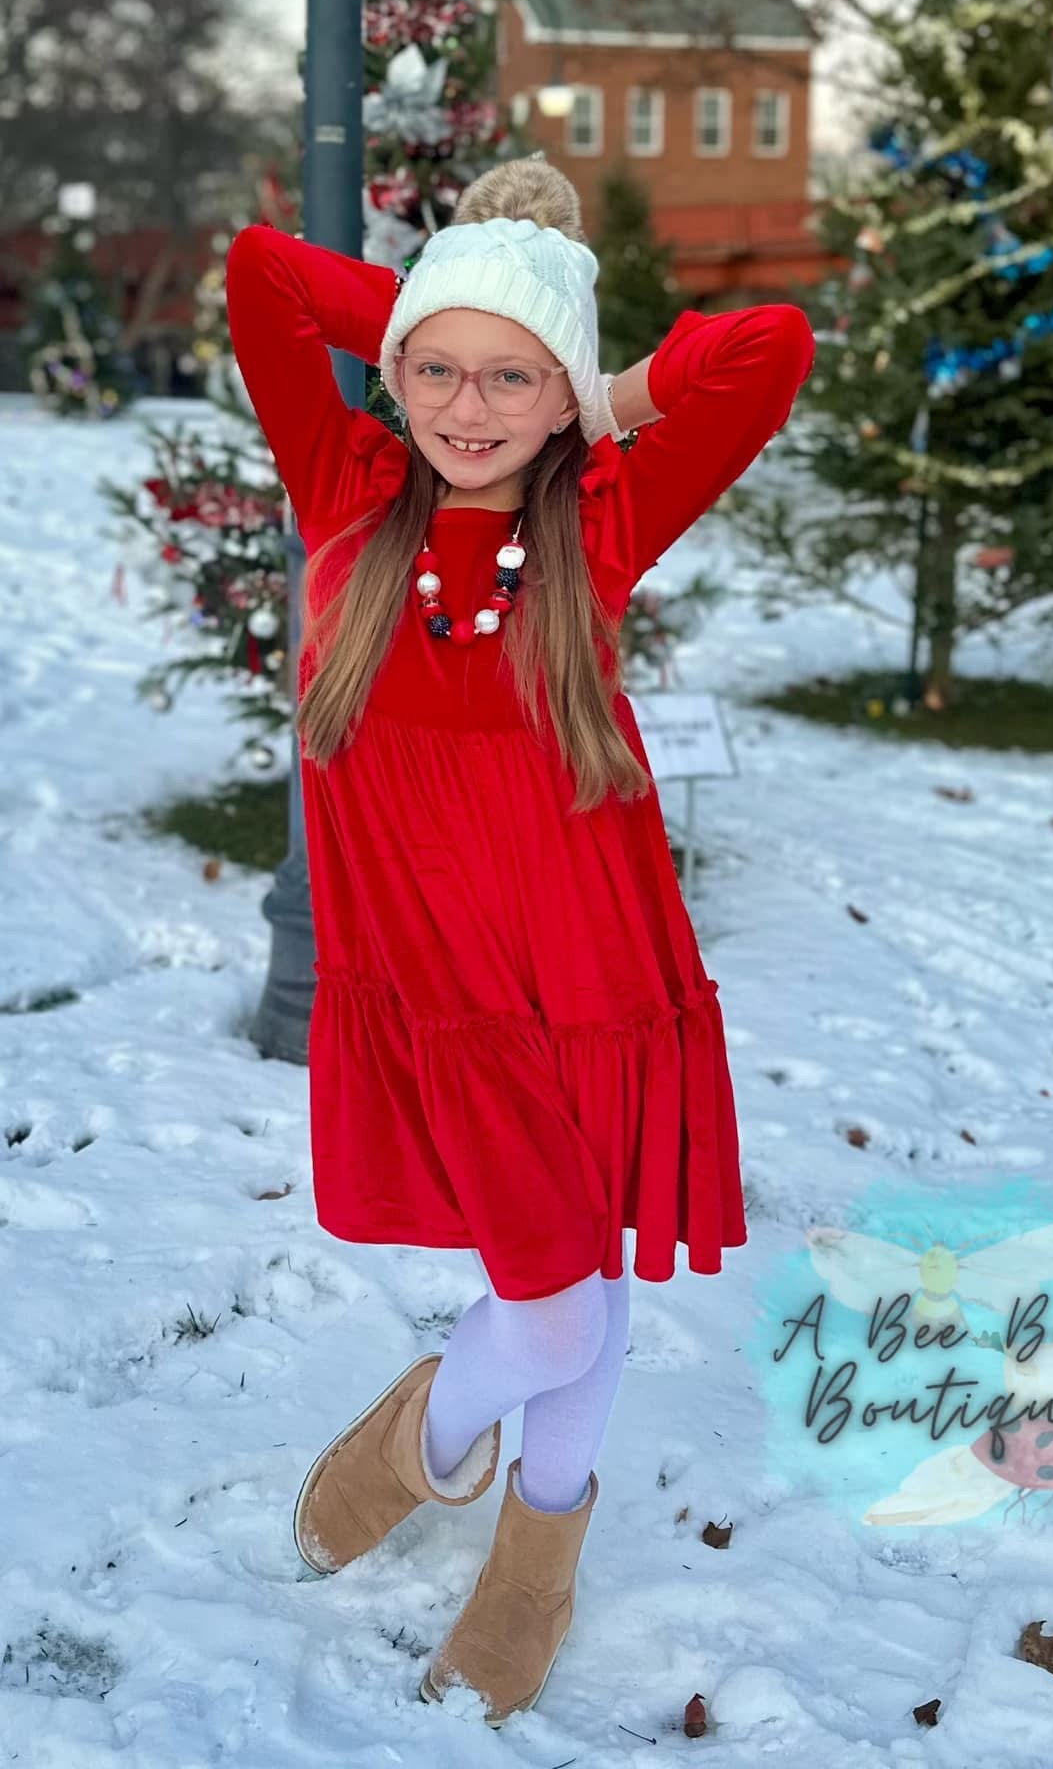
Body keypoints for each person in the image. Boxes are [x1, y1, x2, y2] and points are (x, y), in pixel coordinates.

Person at [224, 157, 814, 1725]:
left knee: (581, 1277)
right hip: (428, 978)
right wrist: (449, 289)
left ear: (561, 399)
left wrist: (600, 386)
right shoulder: (347, 486)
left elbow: (769, 346)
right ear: (396, 368)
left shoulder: (600, 510)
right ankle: (466, 1463)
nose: (467, 406)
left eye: (510, 377)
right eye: (435, 366)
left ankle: (514, 1517)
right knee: (552, 1290)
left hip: (586, 963)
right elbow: (262, 276)